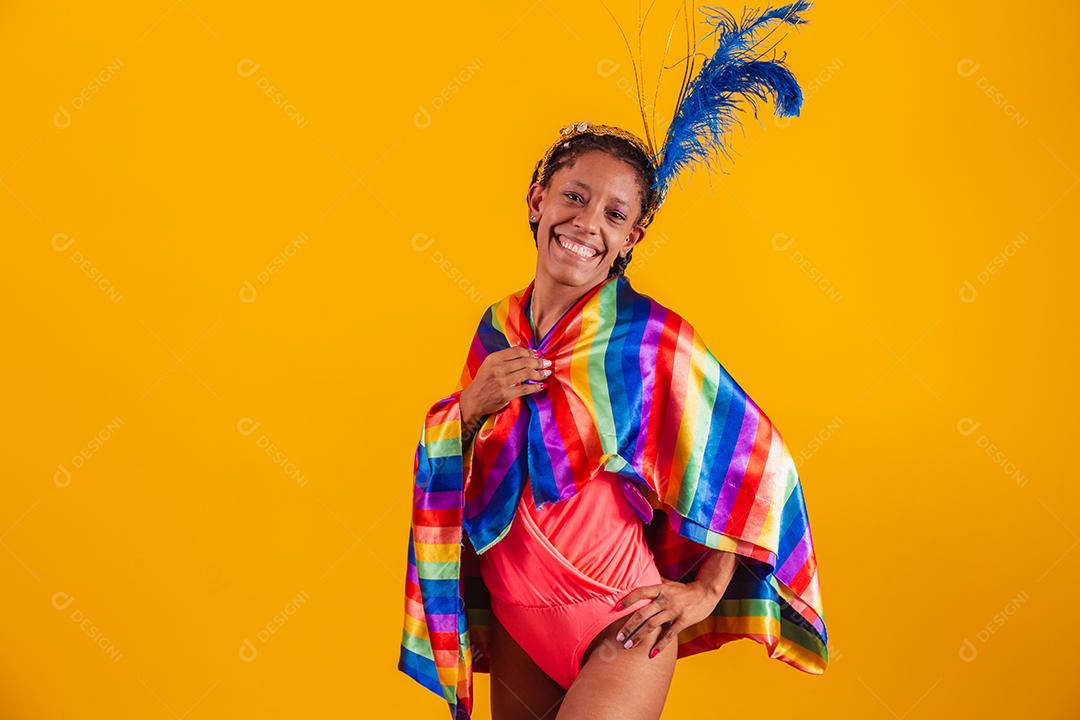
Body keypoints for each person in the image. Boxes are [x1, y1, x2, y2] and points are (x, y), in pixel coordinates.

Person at [399, 4, 826, 719]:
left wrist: (704, 593)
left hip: (618, 616)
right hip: (515, 616)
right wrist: (469, 405)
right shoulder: (494, 330)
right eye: (574, 196)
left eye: (614, 215)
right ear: (538, 200)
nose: (587, 224)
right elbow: (464, 469)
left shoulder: (648, 338)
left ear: (632, 238)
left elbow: (757, 468)